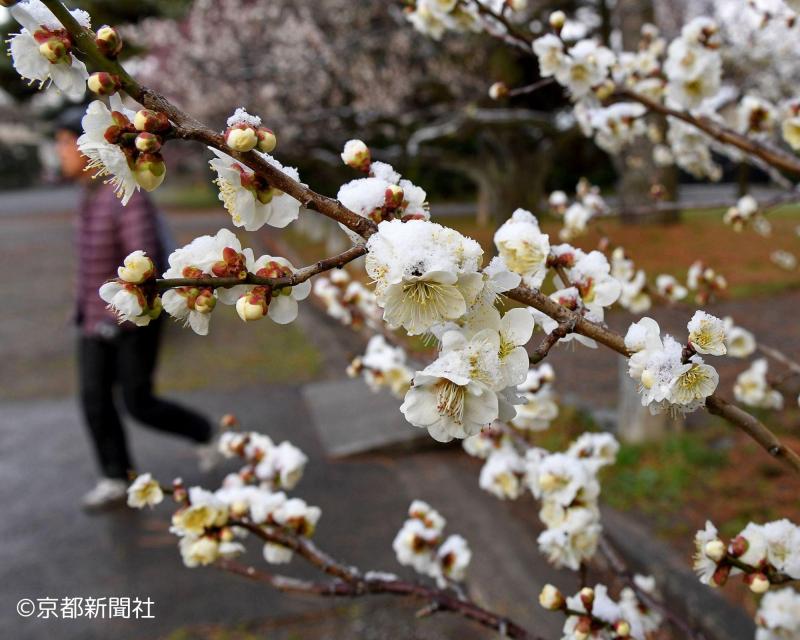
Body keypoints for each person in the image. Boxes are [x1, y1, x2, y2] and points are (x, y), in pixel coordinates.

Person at [54, 105, 216, 511]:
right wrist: (83, 310)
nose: (60, 155)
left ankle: (204, 433)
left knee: (138, 402)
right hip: (93, 320)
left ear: (86, 147)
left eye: (63, 145)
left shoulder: (122, 195)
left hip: (131, 320)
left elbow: (143, 259)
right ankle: (115, 478)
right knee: (94, 400)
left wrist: (117, 316)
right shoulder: (89, 195)